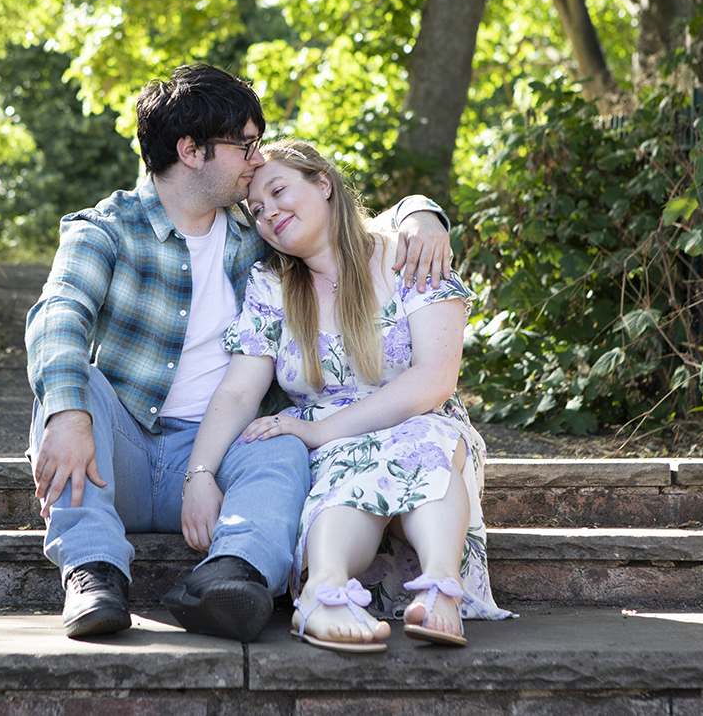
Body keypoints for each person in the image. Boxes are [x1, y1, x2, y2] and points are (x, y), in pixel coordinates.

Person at [26, 64, 453, 642]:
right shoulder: (104, 231)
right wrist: (69, 412)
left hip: (219, 450)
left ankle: (233, 576)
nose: (257, 160)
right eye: (245, 145)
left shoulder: (259, 232)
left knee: (278, 443)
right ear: (191, 150)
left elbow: (345, 224)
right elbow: (59, 314)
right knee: (72, 387)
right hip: (120, 449)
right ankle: (94, 574)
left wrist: (420, 213)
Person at [181, 139, 514, 653]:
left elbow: (435, 379)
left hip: (420, 419)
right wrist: (199, 474)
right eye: (257, 210)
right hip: (330, 446)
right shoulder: (272, 285)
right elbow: (238, 390)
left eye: (278, 191)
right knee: (344, 464)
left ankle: (440, 588)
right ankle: (325, 589)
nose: (269, 213)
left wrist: (320, 430)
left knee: (424, 438)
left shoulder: (409, 254)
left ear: (323, 182)